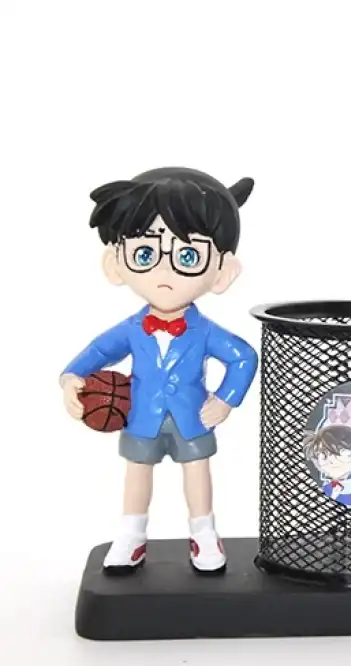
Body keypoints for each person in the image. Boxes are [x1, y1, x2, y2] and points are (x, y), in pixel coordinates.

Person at [59, 168, 258, 575]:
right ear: (115, 264)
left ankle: (204, 533)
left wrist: (225, 400)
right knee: (137, 475)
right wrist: (70, 380)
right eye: (146, 254)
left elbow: (244, 357)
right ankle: (132, 534)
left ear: (222, 272)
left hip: (192, 416)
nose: (164, 274)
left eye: (188, 256)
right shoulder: (131, 329)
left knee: (197, 473)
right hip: (141, 416)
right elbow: (96, 353)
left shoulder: (205, 331)